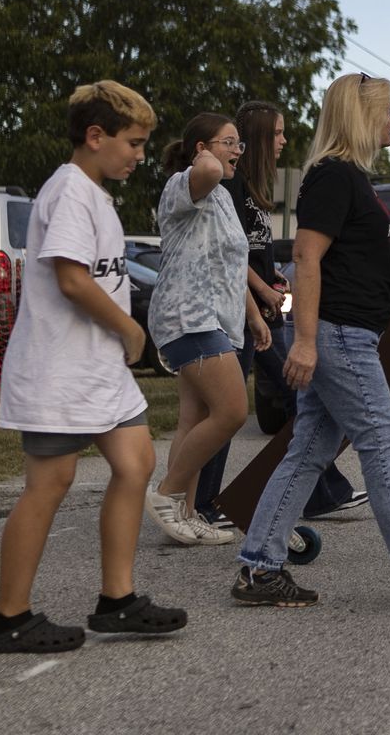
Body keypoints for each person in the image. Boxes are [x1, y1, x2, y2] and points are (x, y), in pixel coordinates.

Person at [231, 73, 390, 611]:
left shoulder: (353, 180)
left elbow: (366, 270)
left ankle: (259, 568)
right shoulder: (333, 177)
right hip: (336, 336)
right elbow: (306, 258)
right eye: (386, 113)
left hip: (350, 330)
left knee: (308, 450)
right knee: (382, 442)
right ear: (360, 117)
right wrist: (304, 341)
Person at [0, 81, 187, 654]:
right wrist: (128, 327)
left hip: (98, 370)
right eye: (134, 142)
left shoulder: (96, 192)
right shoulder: (69, 191)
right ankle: (9, 618)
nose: (141, 154)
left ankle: (117, 601)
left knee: (136, 460)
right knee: (50, 483)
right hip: (59, 368)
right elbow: (72, 279)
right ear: (95, 137)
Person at [193, 101, 364, 527]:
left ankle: (323, 493)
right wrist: (262, 289)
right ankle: (204, 503)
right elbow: (227, 253)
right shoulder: (228, 187)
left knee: (297, 397)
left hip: (262, 310)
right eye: (278, 134)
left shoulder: (251, 187)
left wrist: (273, 282)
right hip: (236, 314)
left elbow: (252, 254)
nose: (284, 142)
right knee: (230, 409)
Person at [145, 112, 271, 545]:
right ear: (201, 149)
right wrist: (208, 153)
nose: (238, 151)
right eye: (229, 142)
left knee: (194, 419)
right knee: (232, 412)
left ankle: (183, 515)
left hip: (217, 318)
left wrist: (254, 317)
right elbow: (210, 167)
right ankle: (165, 497)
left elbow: (232, 264)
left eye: (240, 143)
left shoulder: (220, 197)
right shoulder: (186, 183)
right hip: (188, 314)